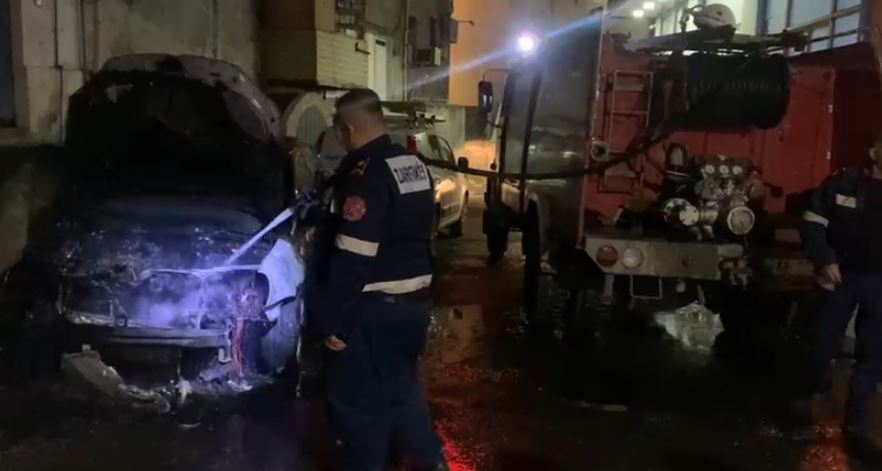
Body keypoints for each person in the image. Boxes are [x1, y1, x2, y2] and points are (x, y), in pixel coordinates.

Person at [304, 88, 447, 471]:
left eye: (337, 127)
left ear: (348, 128)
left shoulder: (364, 176)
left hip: (371, 311)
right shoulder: (412, 164)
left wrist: (336, 322)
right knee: (403, 394)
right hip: (412, 304)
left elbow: (354, 257)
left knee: (357, 407)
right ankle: (432, 463)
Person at [802, 133, 882, 448]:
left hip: (879, 282)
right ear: (873, 152)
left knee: (873, 352)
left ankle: (857, 422)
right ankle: (817, 395)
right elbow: (812, 222)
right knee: (823, 340)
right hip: (841, 277)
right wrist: (825, 260)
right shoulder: (844, 183)